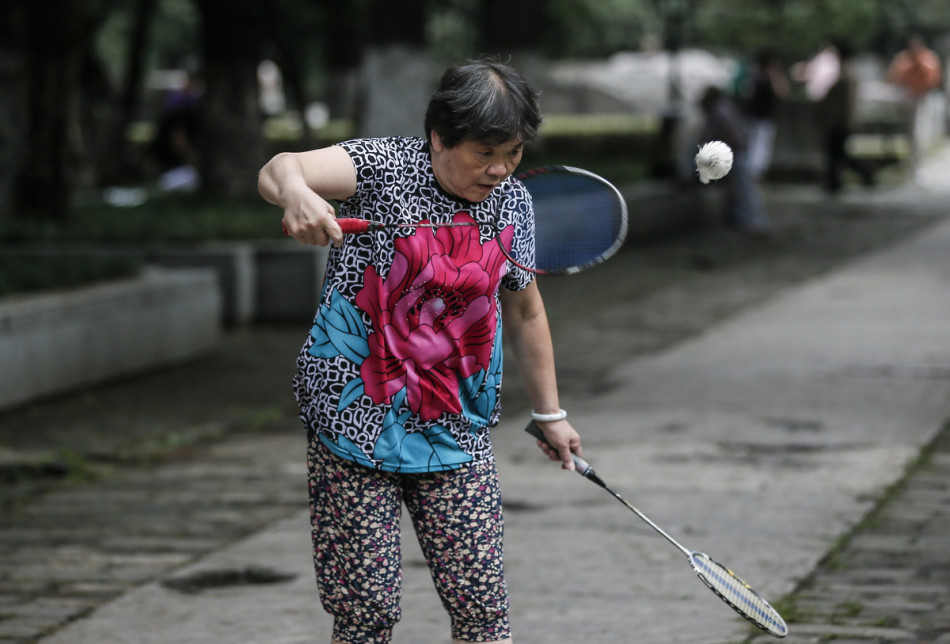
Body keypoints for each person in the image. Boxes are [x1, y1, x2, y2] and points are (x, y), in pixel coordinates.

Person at [257, 59, 582, 644]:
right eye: (484, 153)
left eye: (511, 153)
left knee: (484, 611)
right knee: (367, 615)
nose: (500, 169)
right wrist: (298, 196)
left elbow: (527, 310)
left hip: (456, 428)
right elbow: (281, 168)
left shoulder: (512, 204)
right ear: (438, 137)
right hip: (352, 422)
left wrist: (550, 413)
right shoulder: (382, 166)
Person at [698, 85, 768, 234]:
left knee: (743, 189)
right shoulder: (725, 106)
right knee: (738, 189)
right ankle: (743, 220)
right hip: (736, 151)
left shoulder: (719, 109)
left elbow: (727, 132)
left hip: (733, 153)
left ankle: (753, 222)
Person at [814, 43, 875, 195]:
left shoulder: (846, 74)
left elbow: (842, 102)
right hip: (841, 121)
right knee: (838, 153)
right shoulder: (847, 72)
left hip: (839, 122)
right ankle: (836, 182)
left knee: (837, 153)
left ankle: (860, 176)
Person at [887, 35, 943, 181]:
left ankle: (917, 168)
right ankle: (905, 166)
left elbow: (933, 80)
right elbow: (894, 78)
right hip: (905, 99)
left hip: (921, 100)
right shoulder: (903, 60)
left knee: (917, 135)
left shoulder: (928, 60)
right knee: (907, 135)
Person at [741, 48, 789, 180]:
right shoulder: (767, 79)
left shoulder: (753, 77)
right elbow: (782, 92)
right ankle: (756, 173)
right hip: (763, 118)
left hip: (754, 116)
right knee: (761, 146)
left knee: (753, 145)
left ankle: (751, 172)